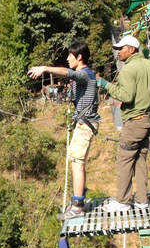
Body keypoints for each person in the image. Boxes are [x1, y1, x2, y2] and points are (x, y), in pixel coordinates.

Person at [96, 35, 150, 211]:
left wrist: (106, 85)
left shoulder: (128, 70)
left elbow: (126, 96)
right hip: (148, 121)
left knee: (124, 160)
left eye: (121, 48)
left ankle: (122, 201)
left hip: (134, 122)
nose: (118, 52)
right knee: (140, 160)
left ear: (132, 49)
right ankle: (142, 199)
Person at [28, 41, 101, 220]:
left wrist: (44, 68)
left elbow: (67, 72)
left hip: (85, 125)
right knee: (76, 161)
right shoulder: (83, 76)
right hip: (83, 123)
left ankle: (77, 205)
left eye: (70, 55)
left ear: (79, 57)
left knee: (77, 162)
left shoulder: (85, 74)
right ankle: (79, 198)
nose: (68, 58)